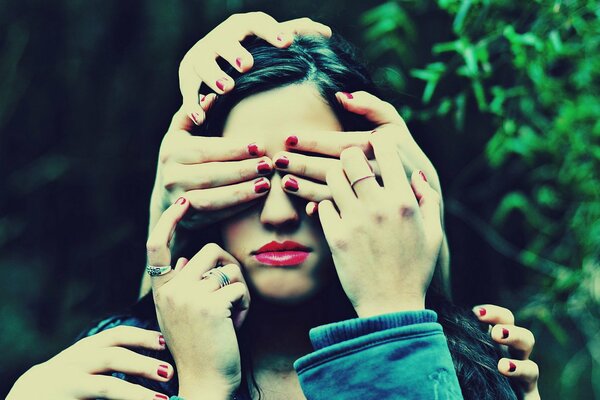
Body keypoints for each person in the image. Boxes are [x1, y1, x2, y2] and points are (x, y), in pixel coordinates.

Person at [7, 13, 540, 400]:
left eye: (308, 177)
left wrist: (398, 311)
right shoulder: (121, 370)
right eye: (252, 180)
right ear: (199, 191)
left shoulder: (475, 366)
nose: (279, 214)